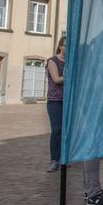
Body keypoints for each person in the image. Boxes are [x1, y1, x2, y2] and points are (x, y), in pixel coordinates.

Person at [46, 36, 66, 172]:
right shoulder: (52, 61)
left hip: (68, 100)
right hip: (55, 101)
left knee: (66, 130)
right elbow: (57, 79)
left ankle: (64, 158)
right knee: (57, 130)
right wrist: (72, 76)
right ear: (60, 46)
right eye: (65, 45)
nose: (67, 48)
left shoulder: (71, 62)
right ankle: (54, 159)